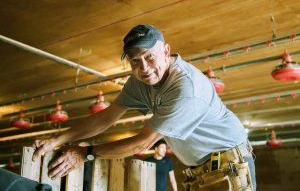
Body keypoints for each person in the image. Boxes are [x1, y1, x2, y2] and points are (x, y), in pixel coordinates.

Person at [32, 24, 256, 190]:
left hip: (230, 162)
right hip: (199, 168)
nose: (144, 68)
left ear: (166, 51)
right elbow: (105, 117)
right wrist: (57, 140)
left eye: (150, 57)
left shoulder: (186, 88)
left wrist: (85, 153)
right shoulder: (139, 81)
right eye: (135, 61)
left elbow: (143, 142)